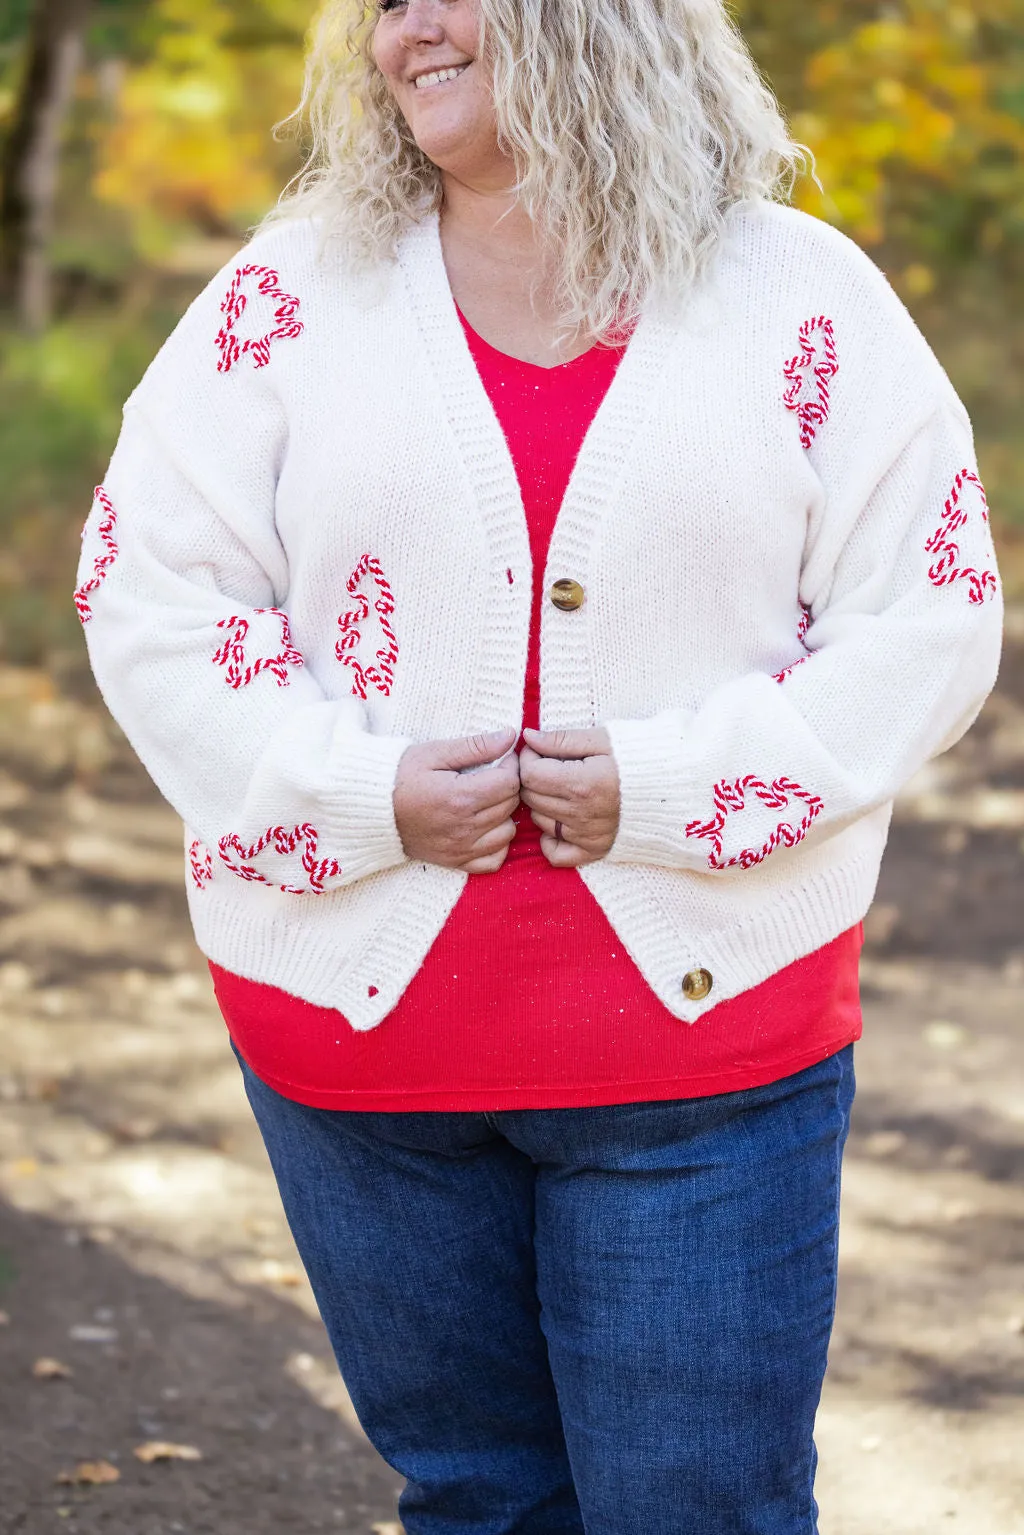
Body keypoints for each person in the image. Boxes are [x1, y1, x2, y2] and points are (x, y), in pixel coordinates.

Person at [75, 1, 1003, 1530]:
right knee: (480, 1502)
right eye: (385, 3)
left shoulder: (795, 294)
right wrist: (358, 795)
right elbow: (151, 593)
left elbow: (933, 617)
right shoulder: (293, 295)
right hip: (358, 1054)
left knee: (692, 1508)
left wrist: (668, 787)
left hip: (702, 1060)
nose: (408, 29)